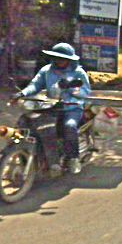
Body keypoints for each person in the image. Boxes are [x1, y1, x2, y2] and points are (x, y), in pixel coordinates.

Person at [19, 42, 91, 173]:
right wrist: (22, 93)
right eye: (57, 58)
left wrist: (71, 88)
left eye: (63, 58)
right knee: (28, 122)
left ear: (69, 60)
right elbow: (35, 85)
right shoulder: (46, 70)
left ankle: (73, 158)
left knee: (69, 126)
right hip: (50, 106)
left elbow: (85, 92)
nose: (59, 61)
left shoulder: (79, 72)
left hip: (72, 108)